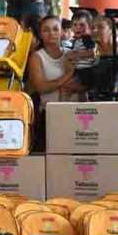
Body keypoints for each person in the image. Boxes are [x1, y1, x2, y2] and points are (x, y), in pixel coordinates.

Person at [28, 16, 75, 151]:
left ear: (62, 31)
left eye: (55, 29)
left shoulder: (71, 53)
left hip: (73, 113)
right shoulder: (37, 57)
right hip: (49, 115)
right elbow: (41, 87)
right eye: (46, 30)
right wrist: (68, 75)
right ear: (41, 34)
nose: (52, 33)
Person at [61, 10, 96, 99]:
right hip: (79, 71)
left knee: (65, 88)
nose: (78, 28)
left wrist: (75, 55)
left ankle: (62, 109)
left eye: (82, 25)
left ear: (89, 27)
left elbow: (92, 53)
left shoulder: (87, 38)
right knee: (81, 94)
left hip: (85, 72)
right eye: (75, 25)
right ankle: (83, 107)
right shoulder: (77, 40)